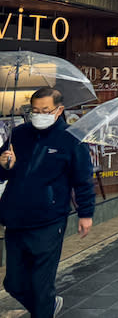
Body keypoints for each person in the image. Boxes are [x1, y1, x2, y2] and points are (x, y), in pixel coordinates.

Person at [0, 87, 94, 317]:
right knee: (13, 283)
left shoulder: (72, 139)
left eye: (45, 110)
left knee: (42, 287)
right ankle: (48, 308)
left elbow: (83, 179)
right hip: (15, 220)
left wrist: (86, 213)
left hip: (49, 221)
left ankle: (44, 308)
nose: (39, 114)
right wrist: (3, 164)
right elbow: (2, 174)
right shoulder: (18, 134)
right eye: (35, 110)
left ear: (59, 110)